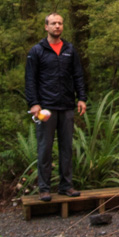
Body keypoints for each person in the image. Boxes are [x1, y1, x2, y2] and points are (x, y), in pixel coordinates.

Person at [25, 12, 87, 201]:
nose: (57, 26)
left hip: (67, 105)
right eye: (53, 23)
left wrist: (81, 98)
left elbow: (78, 75)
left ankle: (66, 186)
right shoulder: (37, 51)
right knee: (45, 148)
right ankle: (44, 188)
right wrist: (33, 103)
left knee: (67, 148)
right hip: (46, 108)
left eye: (60, 23)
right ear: (46, 27)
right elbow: (30, 79)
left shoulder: (70, 49)